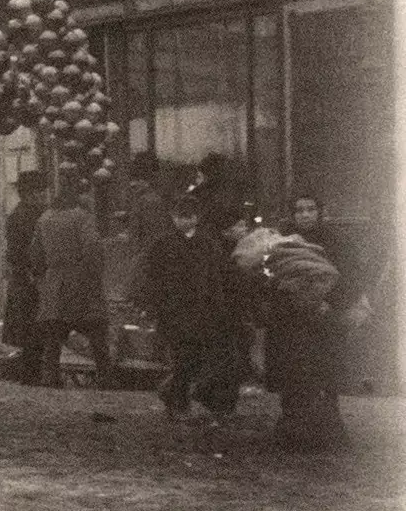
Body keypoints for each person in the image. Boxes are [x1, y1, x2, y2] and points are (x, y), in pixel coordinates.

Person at [128, 192, 239, 421]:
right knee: (181, 357)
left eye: (188, 216)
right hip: (172, 310)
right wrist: (151, 304)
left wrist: (217, 305)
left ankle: (171, 393)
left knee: (194, 358)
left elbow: (216, 277)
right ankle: (178, 404)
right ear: (172, 217)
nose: (183, 221)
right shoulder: (162, 244)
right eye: (179, 216)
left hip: (201, 310)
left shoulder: (207, 244)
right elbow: (150, 275)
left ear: (197, 218)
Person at [262, 194, 355, 452]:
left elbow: (349, 278)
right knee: (293, 376)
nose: (304, 215)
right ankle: (293, 435)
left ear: (320, 212)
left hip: (323, 320)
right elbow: (270, 274)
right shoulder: (282, 242)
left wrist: (332, 304)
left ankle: (328, 435)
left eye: (310, 209)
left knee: (323, 376)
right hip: (290, 319)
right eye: (299, 210)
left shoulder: (336, 242)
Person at [30, 176, 113, 387]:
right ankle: (105, 377)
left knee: (54, 334)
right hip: (82, 281)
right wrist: (95, 274)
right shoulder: (82, 218)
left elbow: (36, 255)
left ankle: (50, 376)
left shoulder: (44, 219)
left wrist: (43, 279)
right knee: (97, 331)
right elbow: (93, 247)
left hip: (55, 282)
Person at [0, 169, 47, 370]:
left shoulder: (25, 214)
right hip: (28, 276)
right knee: (32, 321)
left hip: (26, 276)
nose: (43, 196)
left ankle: (32, 366)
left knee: (29, 322)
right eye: (39, 192)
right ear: (29, 194)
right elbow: (17, 251)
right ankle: (31, 368)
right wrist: (31, 271)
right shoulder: (26, 217)